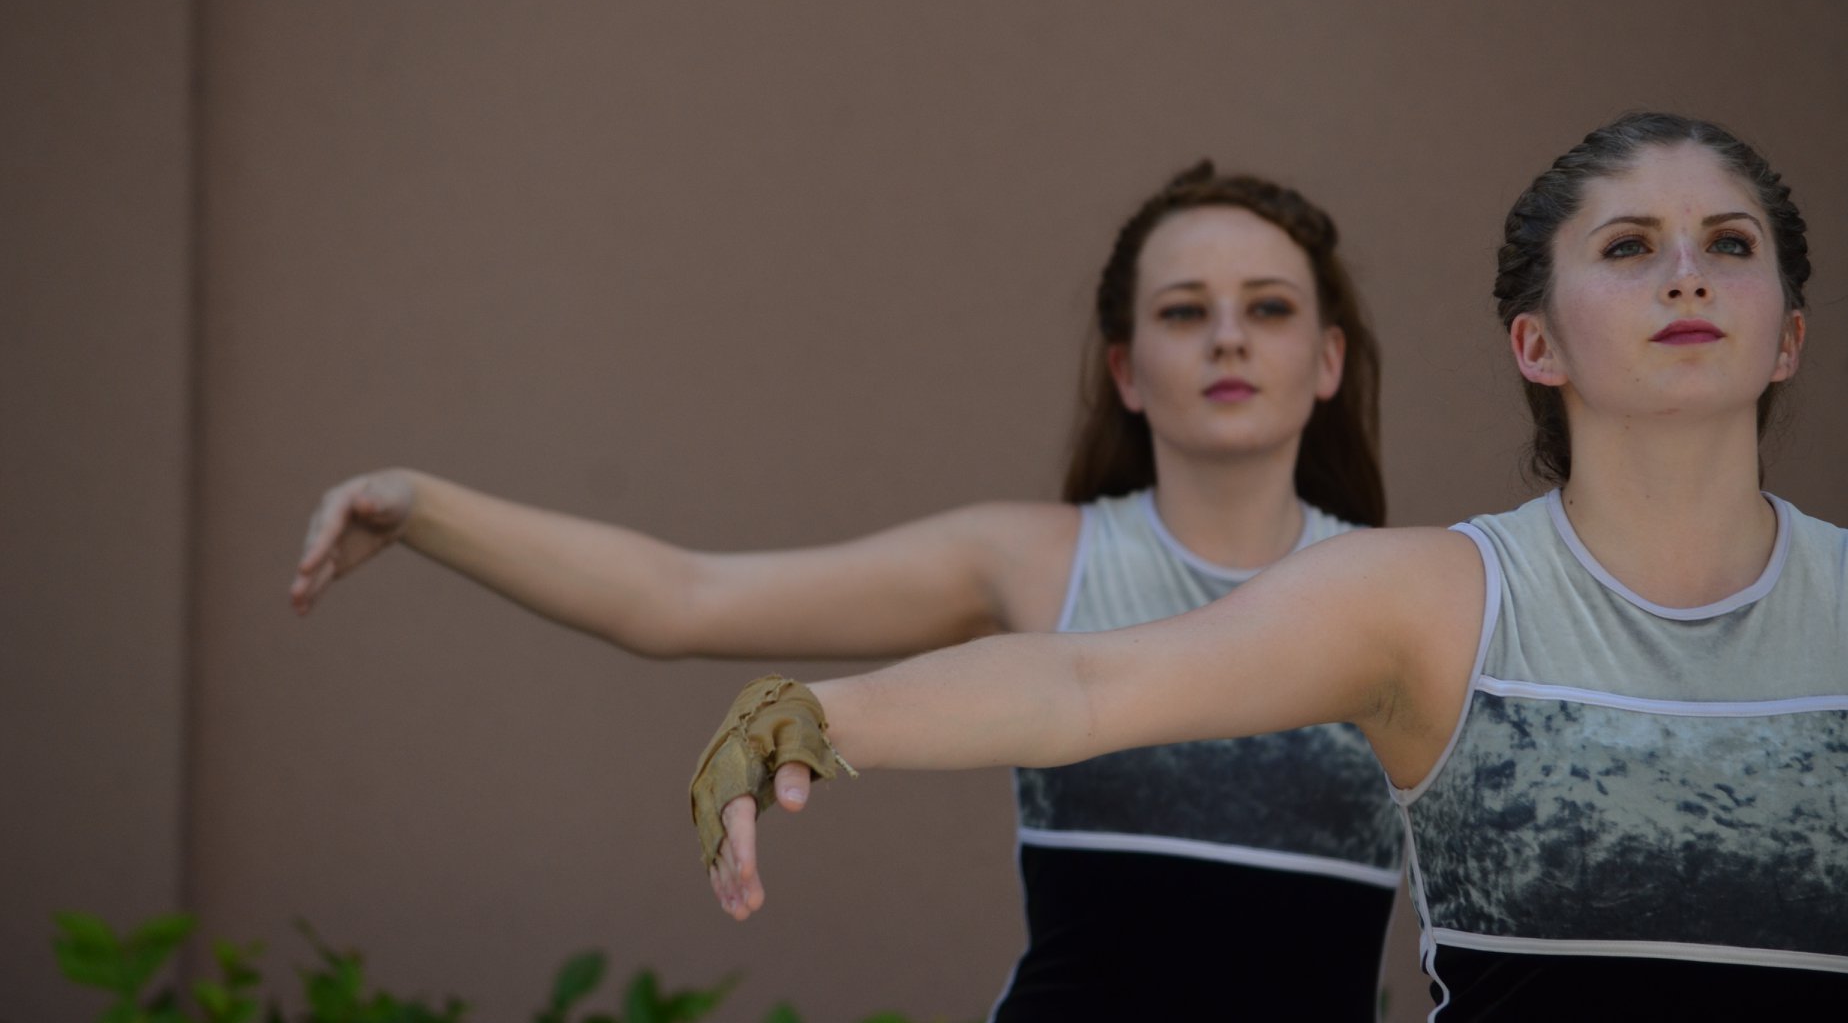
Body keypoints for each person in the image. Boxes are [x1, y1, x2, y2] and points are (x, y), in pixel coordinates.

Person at [699, 113, 1848, 1020]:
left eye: (1730, 244)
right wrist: (813, 716)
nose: (1687, 275)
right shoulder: (1433, 599)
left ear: (1789, 333)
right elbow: (1086, 682)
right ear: (1534, 342)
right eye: (1630, 246)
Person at [292, 164, 1404, 1020]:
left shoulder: (1405, 592)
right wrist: (424, 509)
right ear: (1126, 369)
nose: (1227, 338)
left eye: (1268, 308)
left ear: (1328, 360)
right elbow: (684, 596)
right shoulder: (1032, 560)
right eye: (1183, 310)